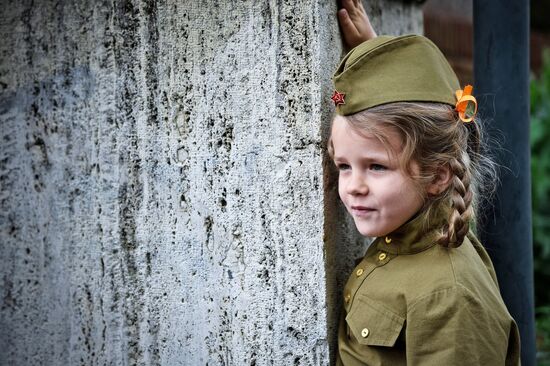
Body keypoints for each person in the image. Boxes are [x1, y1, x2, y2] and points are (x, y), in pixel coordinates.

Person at [329, 1, 521, 365]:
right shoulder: (405, 236)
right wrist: (379, 68)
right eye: (344, 165)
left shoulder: (451, 296)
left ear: (437, 176)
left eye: (376, 167)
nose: (354, 185)